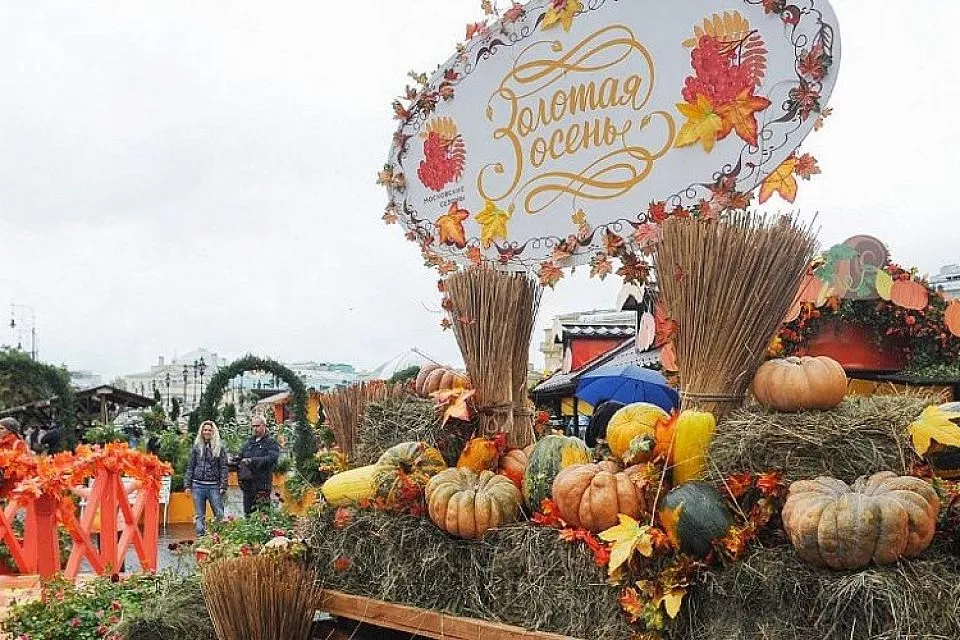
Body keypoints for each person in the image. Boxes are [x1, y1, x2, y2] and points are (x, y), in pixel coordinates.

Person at [184, 420, 229, 536]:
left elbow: (224, 467)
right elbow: (190, 466)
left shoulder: (220, 447)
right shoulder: (196, 447)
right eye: (205, 430)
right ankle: (201, 538)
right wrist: (187, 485)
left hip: (214, 485)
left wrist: (223, 485)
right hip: (197, 485)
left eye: (209, 430)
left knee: (219, 514)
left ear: (213, 432)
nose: (207, 432)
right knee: (199, 516)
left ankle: (219, 538)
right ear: (201, 431)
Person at [237, 415, 279, 515]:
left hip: (262, 485)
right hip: (248, 485)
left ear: (264, 426)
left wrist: (252, 461)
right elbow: (240, 456)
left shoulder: (270, 443)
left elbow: (271, 459)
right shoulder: (248, 443)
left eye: (257, 426)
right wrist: (234, 460)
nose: (255, 428)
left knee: (263, 514)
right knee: (248, 514)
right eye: (253, 426)